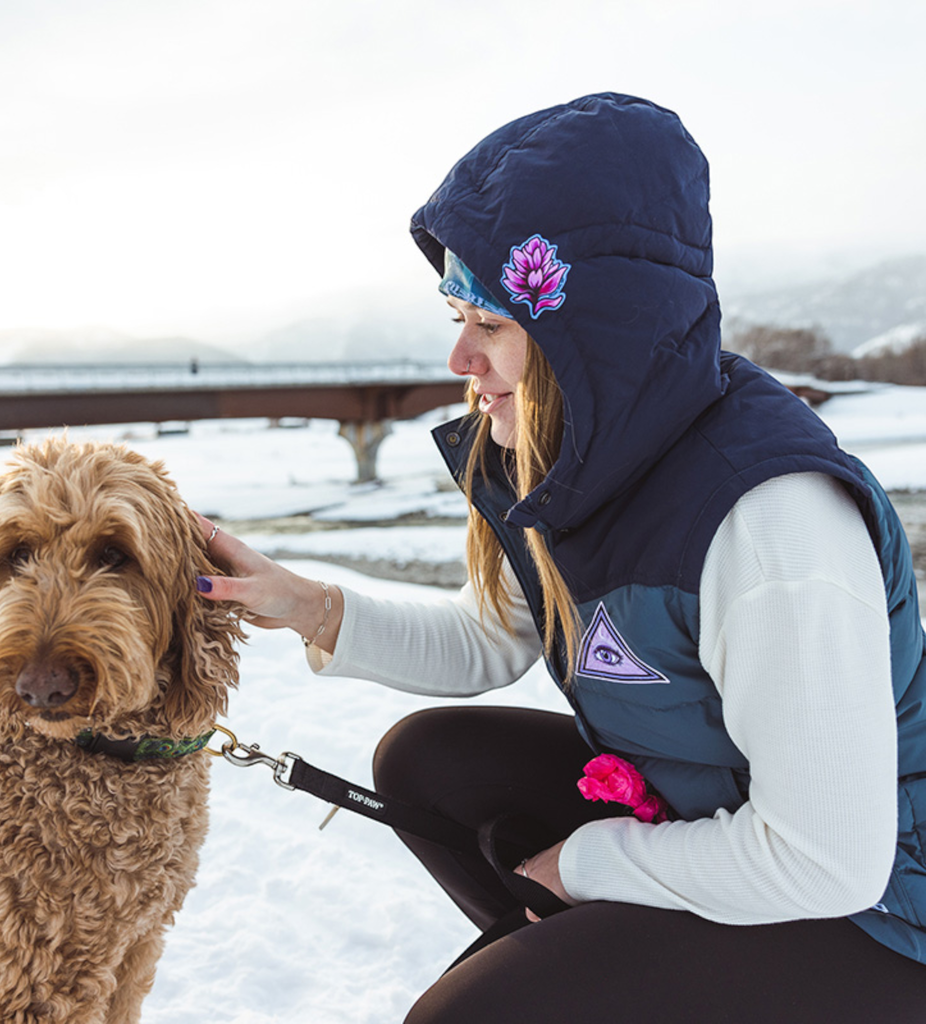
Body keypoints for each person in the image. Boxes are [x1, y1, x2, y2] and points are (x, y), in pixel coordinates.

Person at [196, 93, 926, 1022]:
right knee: (434, 760)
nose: (460, 357)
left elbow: (826, 857)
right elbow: (487, 639)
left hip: (880, 907)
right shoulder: (571, 457)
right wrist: (311, 608)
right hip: (718, 817)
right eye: (457, 316)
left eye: (492, 326)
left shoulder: (771, 522)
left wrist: (584, 869)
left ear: (594, 334)